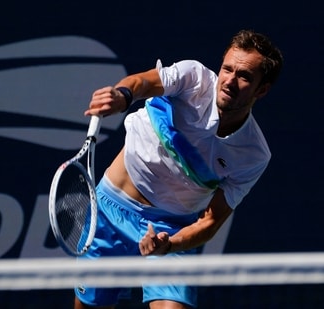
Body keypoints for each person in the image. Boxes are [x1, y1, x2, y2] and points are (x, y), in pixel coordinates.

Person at [74, 29, 284, 309]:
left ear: (262, 89)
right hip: (110, 210)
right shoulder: (194, 78)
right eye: (227, 69)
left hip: (171, 227)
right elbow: (143, 83)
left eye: (244, 76)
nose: (230, 81)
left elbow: (210, 221)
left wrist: (170, 244)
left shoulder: (253, 154)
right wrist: (123, 95)